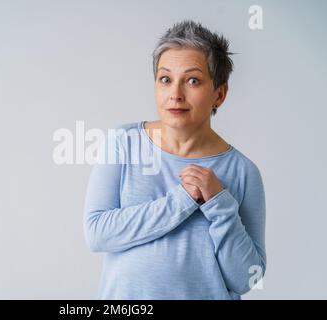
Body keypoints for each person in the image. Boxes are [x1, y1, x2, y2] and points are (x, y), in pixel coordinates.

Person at [83, 20, 266, 300]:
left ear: (220, 93)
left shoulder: (242, 171)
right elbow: (97, 234)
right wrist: (181, 201)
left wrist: (219, 204)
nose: (176, 94)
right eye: (165, 79)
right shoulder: (124, 141)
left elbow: (246, 278)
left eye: (193, 80)